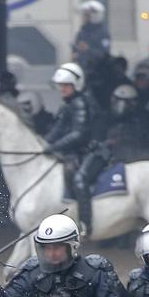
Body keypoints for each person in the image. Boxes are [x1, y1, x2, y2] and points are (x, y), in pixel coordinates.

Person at [43, 63, 103, 235]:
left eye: (66, 85)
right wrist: (43, 144)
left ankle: (85, 224)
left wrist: (54, 146)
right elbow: (58, 129)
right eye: (61, 85)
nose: (62, 89)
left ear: (76, 85)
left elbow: (79, 134)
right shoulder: (68, 104)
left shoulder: (80, 103)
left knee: (79, 179)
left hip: (94, 151)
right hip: (78, 152)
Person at [107, 83, 149, 162]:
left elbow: (147, 149)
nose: (120, 105)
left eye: (125, 101)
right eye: (117, 100)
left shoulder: (139, 125)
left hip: (131, 164)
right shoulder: (104, 121)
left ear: (133, 103)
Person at [72, 0, 110, 71]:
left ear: (95, 16)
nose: (84, 17)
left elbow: (104, 54)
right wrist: (76, 54)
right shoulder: (82, 32)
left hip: (97, 71)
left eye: (87, 15)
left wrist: (88, 49)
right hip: (82, 70)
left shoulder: (103, 33)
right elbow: (76, 48)